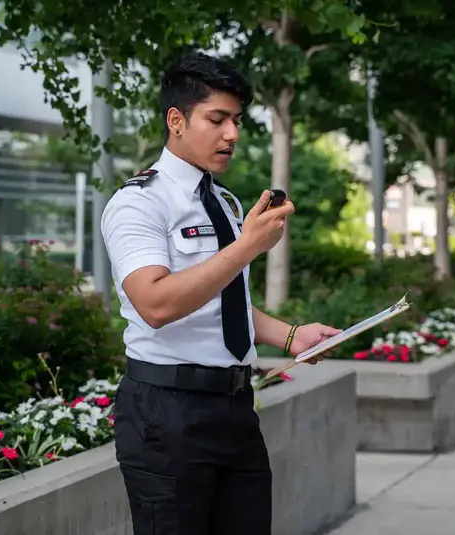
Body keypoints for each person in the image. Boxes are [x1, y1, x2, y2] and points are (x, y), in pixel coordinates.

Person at [100, 50, 342, 535]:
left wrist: (292, 335)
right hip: (166, 414)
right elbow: (156, 303)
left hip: (234, 408)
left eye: (236, 120)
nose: (232, 134)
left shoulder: (225, 202)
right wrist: (248, 246)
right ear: (176, 120)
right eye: (217, 119)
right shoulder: (137, 203)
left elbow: (221, 303)